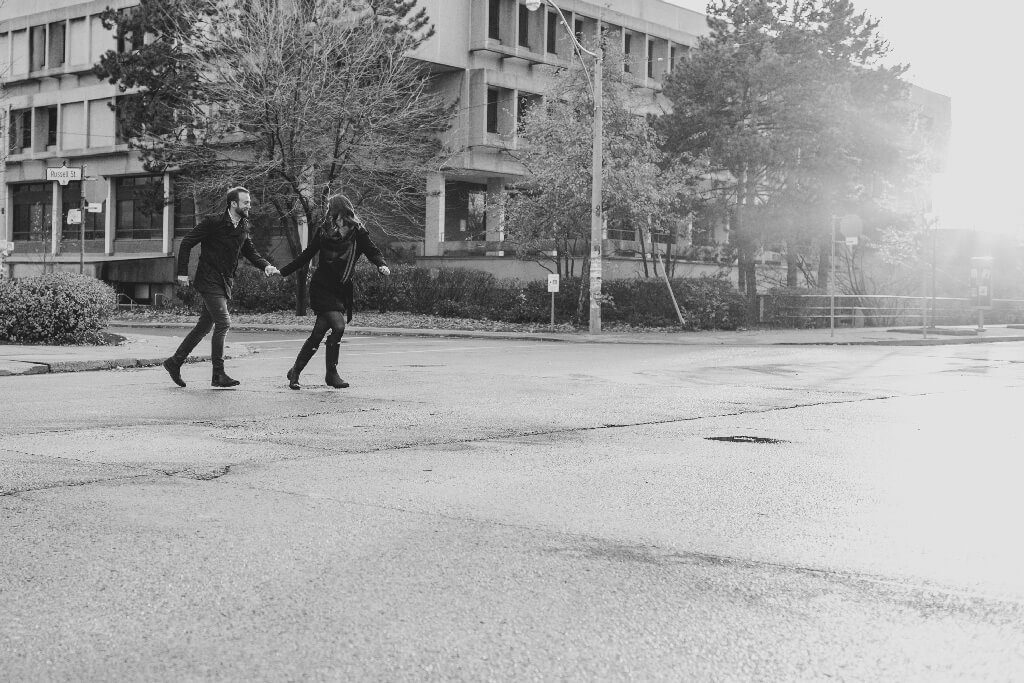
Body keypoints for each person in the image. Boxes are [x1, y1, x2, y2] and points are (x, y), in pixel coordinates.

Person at [162, 187, 279, 388]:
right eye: (246, 202)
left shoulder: (243, 225)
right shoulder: (214, 222)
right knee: (223, 323)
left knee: (204, 326)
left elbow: (250, 251)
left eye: (249, 202)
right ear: (233, 203)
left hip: (224, 281)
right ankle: (218, 374)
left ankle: (175, 362)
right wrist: (182, 272)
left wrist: (266, 266)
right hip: (208, 279)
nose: (249, 205)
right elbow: (187, 242)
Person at [279, 194, 390, 390]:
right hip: (321, 288)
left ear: (340, 210)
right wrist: (283, 271)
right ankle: (331, 373)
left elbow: (373, 251)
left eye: (330, 208)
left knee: (319, 332)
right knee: (338, 326)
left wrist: (381, 265)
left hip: (340, 289)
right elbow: (306, 255)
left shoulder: (358, 233)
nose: (328, 211)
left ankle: (296, 371)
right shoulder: (324, 232)